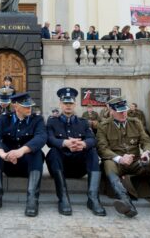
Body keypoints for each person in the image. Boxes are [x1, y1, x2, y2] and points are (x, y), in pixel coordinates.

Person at [45, 88, 105, 216]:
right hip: (60, 166)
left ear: (74, 104)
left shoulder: (83, 123)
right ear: (60, 104)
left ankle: (93, 198)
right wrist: (65, 143)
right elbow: (49, 140)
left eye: (70, 103)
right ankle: (63, 198)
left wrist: (83, 144)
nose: (68, 106)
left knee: (92, 152)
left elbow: (92, 139)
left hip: (78, 167)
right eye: (65, 103)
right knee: (53, 152)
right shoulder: (52, 122)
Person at [0, 93, 46, 217]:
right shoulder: (5, 119)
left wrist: (21, 151)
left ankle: (32, 199)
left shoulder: (37, 119)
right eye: (26, 106)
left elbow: (41, 137)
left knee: (37, 153)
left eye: (30, 106)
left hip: (27, 165)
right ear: (15, 106)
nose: (29, 108)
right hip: (8, 164)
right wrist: (3, 155)